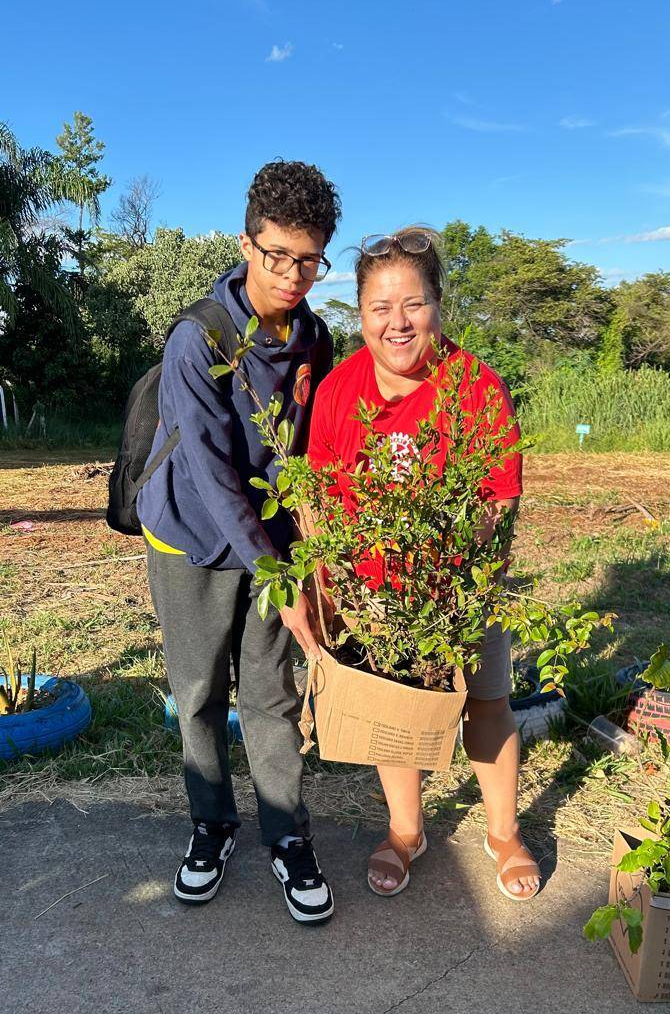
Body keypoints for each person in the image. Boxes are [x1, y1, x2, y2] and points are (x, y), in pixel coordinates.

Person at [307, 228, 540, 901]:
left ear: (437, 304)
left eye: (413, 304)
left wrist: (461, 581)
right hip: (374, 595)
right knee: (396, 711)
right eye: (380, 308)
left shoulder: (474, 385)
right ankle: (406, 832)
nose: (397, 322)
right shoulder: (337, 392)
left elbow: (498, 494)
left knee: (487, 703)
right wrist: (332, 588)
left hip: (463, 590)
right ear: (360, 314)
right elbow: (318, 499)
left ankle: (503, 833)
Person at [137, 161, 340, 923]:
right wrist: (280, 580)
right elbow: (213, 473)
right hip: (188, 534)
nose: (292, 275)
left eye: (310, 258)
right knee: (196, 692)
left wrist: (311, 560)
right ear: (247, 242)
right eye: (276, 254)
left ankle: (287, 837)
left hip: (272, 543)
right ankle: (211, 825)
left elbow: (310, 456)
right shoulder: (199, 337)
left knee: (269, 694)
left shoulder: (316, 336)